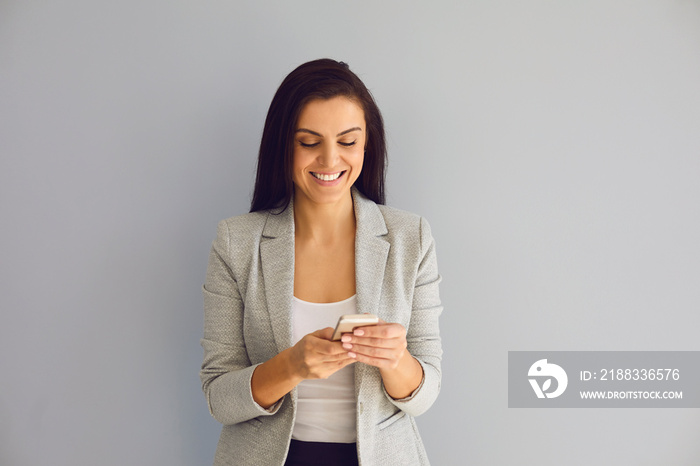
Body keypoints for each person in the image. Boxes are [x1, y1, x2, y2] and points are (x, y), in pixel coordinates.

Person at [200, 58, 443, 466]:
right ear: (283, 145)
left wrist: (395, 360)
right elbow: (219, 397)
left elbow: (426, 393)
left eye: (347, 142)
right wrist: (290, 366)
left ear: (367, 145)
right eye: (309, 142)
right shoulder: (236, 242)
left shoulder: (410, 237)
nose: (330, 161)